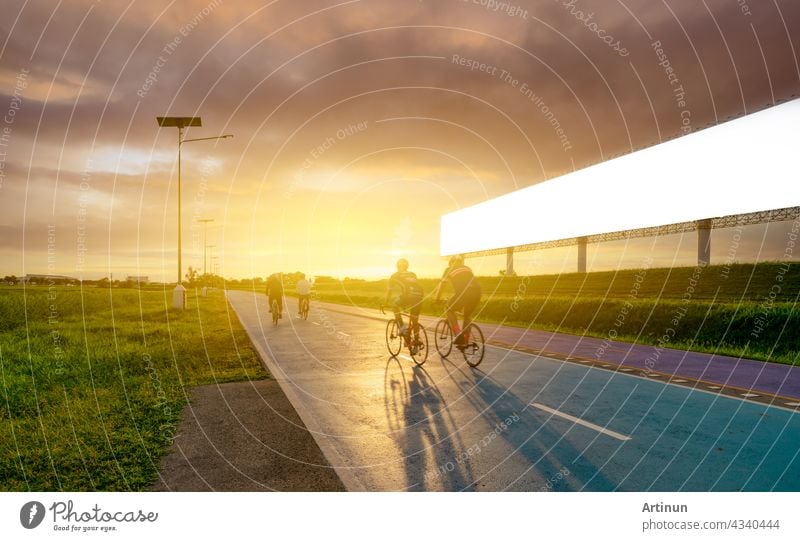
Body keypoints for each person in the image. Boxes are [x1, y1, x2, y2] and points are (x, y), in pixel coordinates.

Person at [435, 255, 481, 346]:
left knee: (448, 309)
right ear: (461, 262)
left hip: (463, 293)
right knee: (467, 316)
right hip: (477, 292)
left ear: (451, 262)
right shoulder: (467, 268)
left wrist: (437, 298)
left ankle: (458, 334)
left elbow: (442, 286)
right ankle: (465, 341)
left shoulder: (449, 269)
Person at [384, 258, 424, 340]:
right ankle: (416, 341)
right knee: (414, 320)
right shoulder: (413, 274)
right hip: (419, 296)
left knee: (394, 305)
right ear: (407, 266)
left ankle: (402, 329)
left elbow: (389, 290)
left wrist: (386, 302)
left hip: (408, 296)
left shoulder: (395, 275)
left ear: (397, 266)